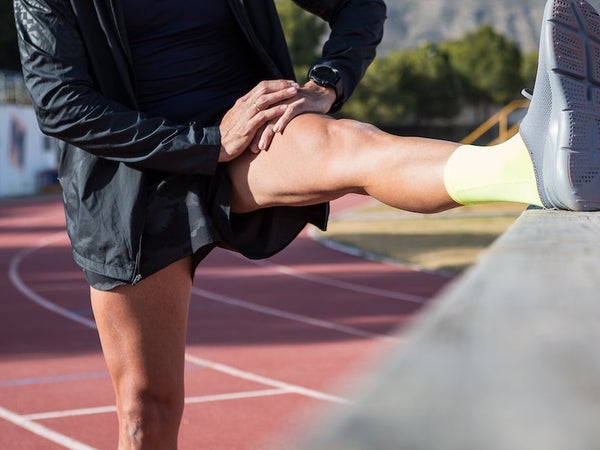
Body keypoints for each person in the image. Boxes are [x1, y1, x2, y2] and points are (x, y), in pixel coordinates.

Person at [13, 0, 600, 447]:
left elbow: (359, 5)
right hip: (128, 176)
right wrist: (208, 144)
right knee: (146, 410)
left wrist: (328, 83)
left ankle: (525, 167)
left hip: (250, 129)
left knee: (352, 145)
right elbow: (61, 102)